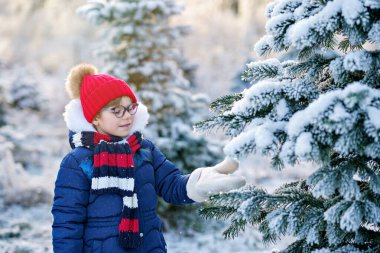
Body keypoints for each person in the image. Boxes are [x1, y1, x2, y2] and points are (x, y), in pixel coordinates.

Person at [51, 64, 246, 253]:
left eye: (130, 108)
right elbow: (67, 224)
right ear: (94, 117)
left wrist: (197, 183)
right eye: (116, 110)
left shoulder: (144, 150)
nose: (127, 116)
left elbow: (171, 185)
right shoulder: (77, 163)